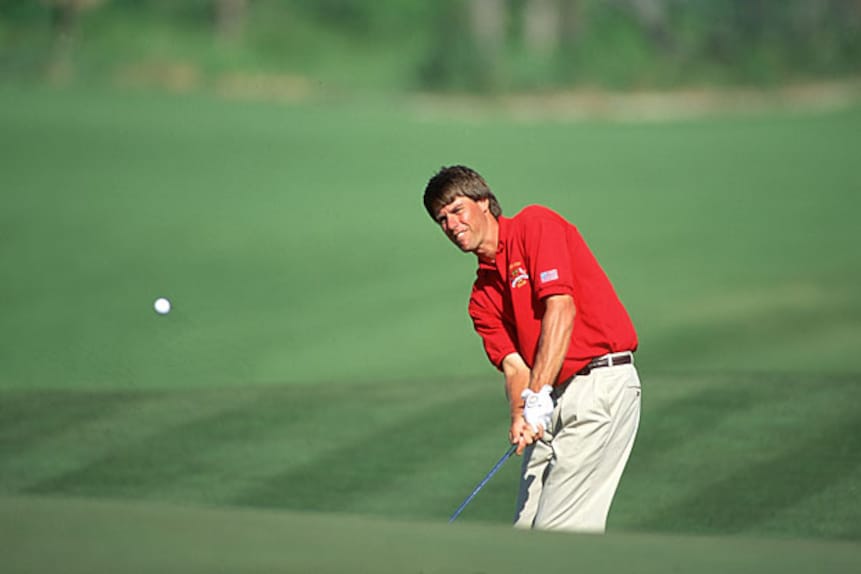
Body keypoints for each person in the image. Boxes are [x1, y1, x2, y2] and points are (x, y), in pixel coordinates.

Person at [423, 165, 641, 533]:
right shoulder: (481, 298)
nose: (451, 224)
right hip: (549, 402)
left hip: (598, 384)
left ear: (485, 202)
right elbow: (514, 368)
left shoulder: (534, 225)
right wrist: (521, 414)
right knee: (523, 537)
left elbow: (561, 307)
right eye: (441, 219)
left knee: (557, 536)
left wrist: (537, 394)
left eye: (457, 210)